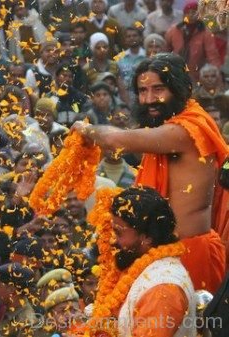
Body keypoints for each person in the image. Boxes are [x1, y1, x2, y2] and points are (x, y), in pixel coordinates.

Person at [73, 53, 229, 293]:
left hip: (189, 254)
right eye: (143, 91)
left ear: (179, 88)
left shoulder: (185, 130)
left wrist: (85, 128)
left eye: (158, 89)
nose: (149, 99)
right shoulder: (167, 128)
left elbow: (116, 140)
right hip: (163, 255)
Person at [109, 187, 196, 336]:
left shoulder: (162, 290)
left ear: (147, 237)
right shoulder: (145, 268)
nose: (112, 240)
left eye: (119, 232)